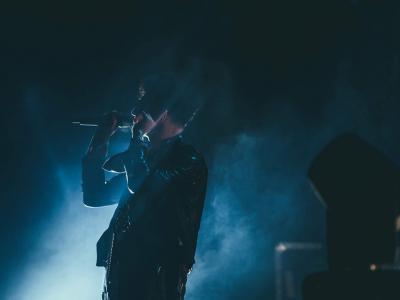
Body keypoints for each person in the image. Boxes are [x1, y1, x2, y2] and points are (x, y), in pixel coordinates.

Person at [81, 85, 208, 300]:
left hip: (155, 284)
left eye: (142, 106)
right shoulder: (145, 160)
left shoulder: (187, 161)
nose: (133, 113)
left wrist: (136, 140)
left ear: (163, 114)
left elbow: (140, 182)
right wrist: (101, 138)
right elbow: (94, 195)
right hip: (121, 281)